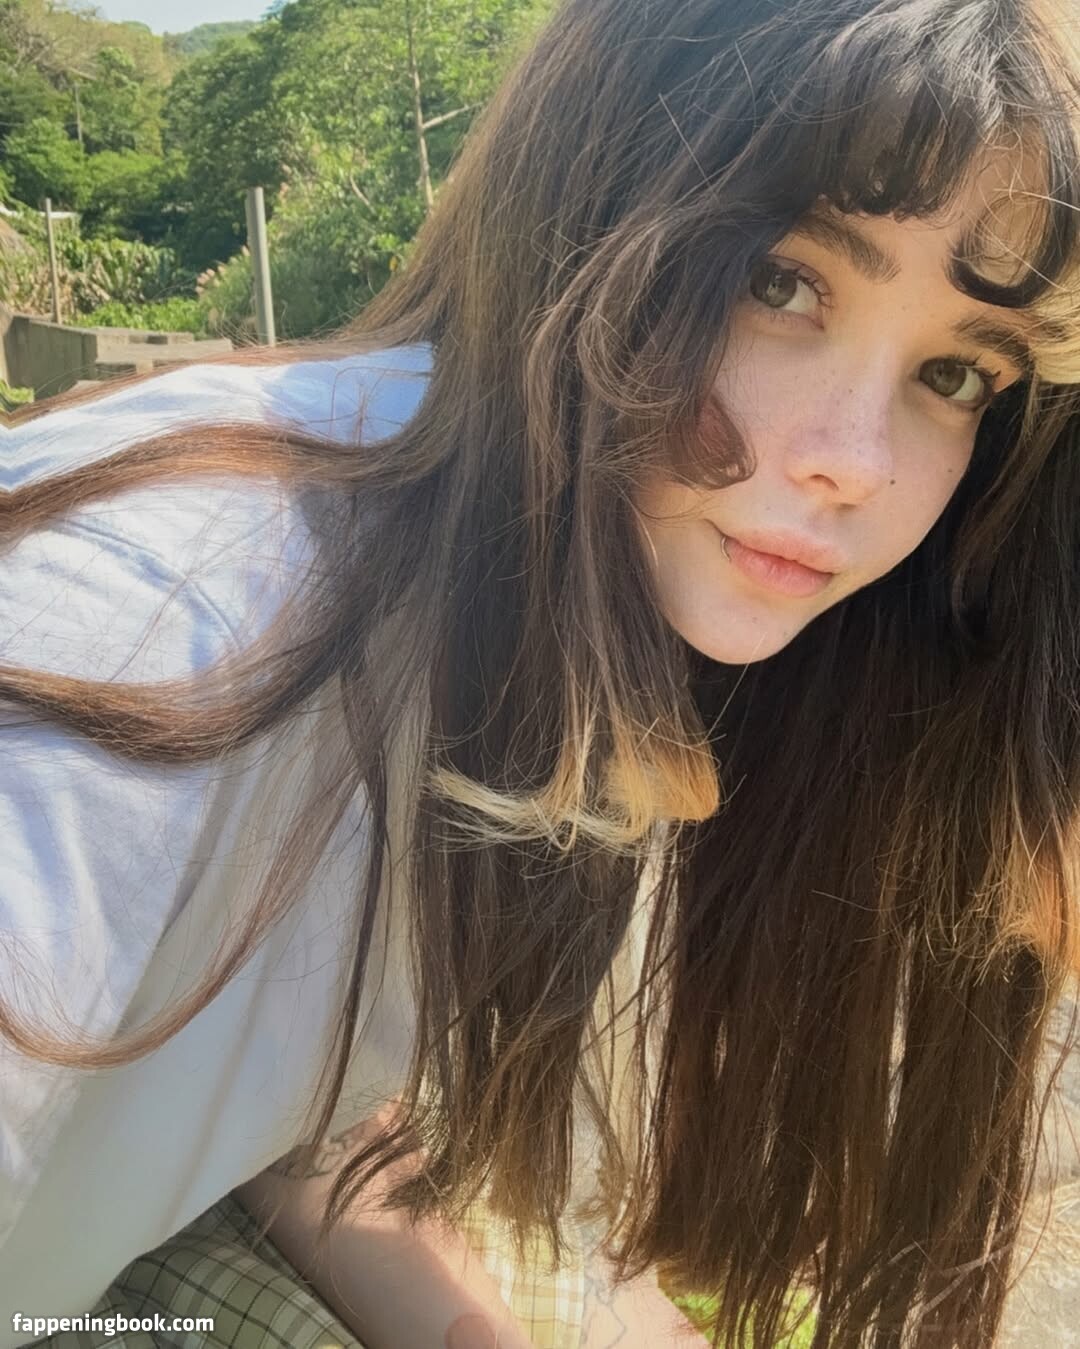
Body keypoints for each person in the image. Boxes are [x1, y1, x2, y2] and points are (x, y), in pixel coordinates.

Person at [3, 0, 1080, 1344]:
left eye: (957, 372)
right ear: (583, 212)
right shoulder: (162, 622)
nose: (856, 463)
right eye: (781, 282)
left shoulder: (581, 614)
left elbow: (272, 1071)